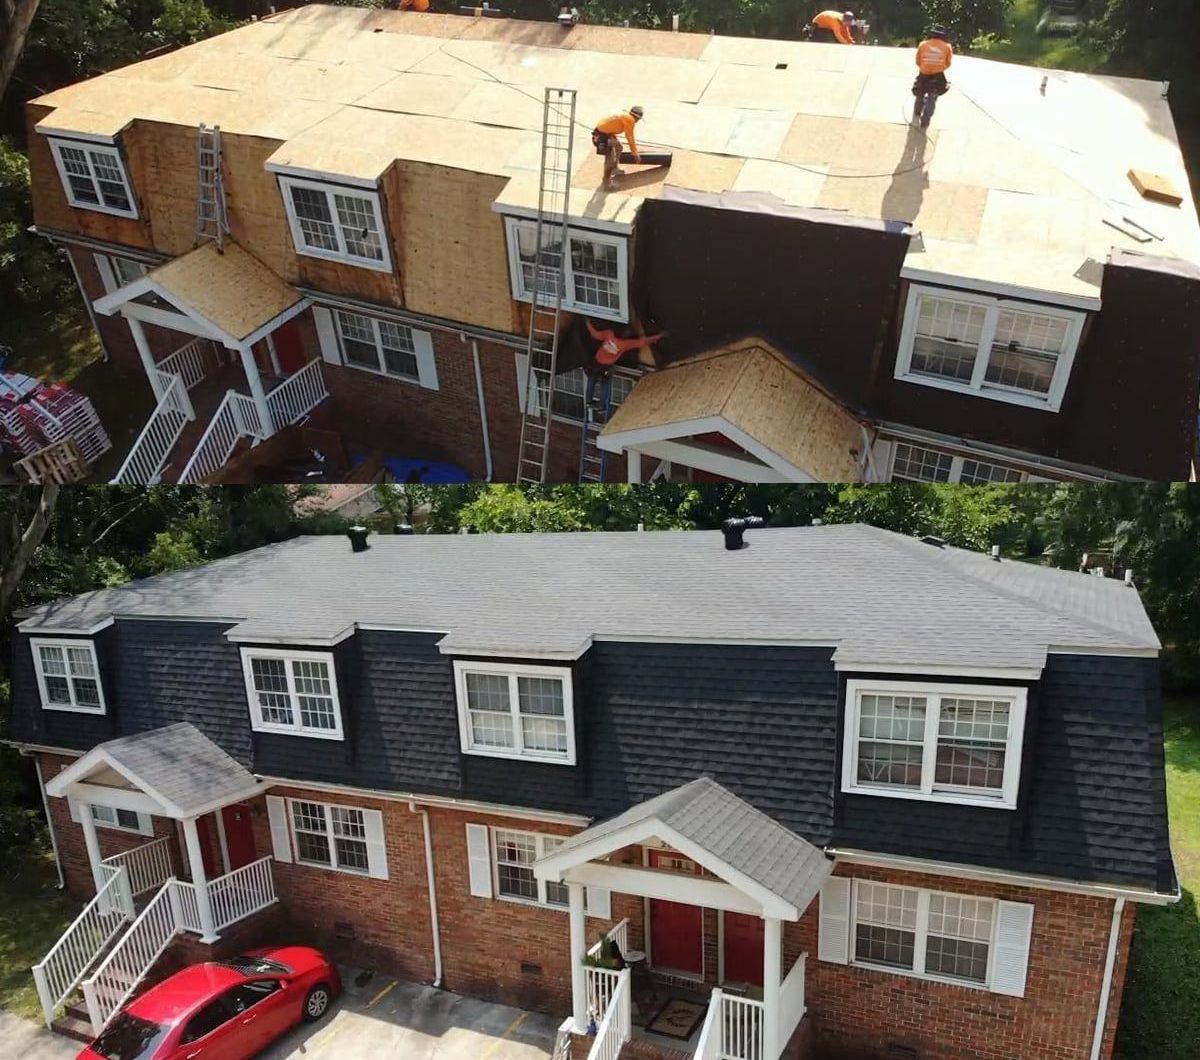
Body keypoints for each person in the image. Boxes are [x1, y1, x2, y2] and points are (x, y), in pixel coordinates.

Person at [592, 107, 643, 189]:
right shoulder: (630, 120)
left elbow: (610, 124)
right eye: (638, 119)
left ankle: (614, 169)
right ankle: (607, 182)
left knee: (619, 147)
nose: (637, 122)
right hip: (602, 137)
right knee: (610, 160)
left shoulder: (625, 115)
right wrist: (635, 153)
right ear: (636, 117)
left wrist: (612, 135)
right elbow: (630, 137)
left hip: (605, 133)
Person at [912, 26, 953, 128]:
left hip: (924, 73)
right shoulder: (947, 47)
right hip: (938, 75)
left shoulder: (923, 44)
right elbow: (948, 63)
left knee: (920, 93)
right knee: (933, 97)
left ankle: (917, 111)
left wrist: (925, 67)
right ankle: (925, 121)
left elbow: (917, 61)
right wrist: (938, 67)